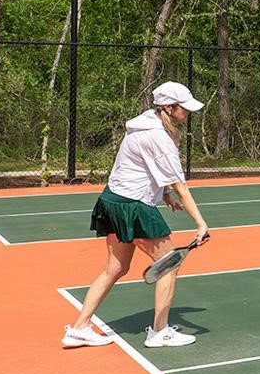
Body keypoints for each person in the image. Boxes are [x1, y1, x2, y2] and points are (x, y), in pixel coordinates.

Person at [62, 81, 211, 349]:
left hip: (112, 199)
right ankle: (160, 331)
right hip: (133, 205)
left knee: (115, 268)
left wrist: (163, 193)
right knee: (169, 264)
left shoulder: (142, 125)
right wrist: (201, 224)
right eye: (184, 109)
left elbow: (143, 166)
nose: (188, 113)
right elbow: (180, 184)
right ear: (168, 107)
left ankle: (79, 328)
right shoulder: (158, 137)